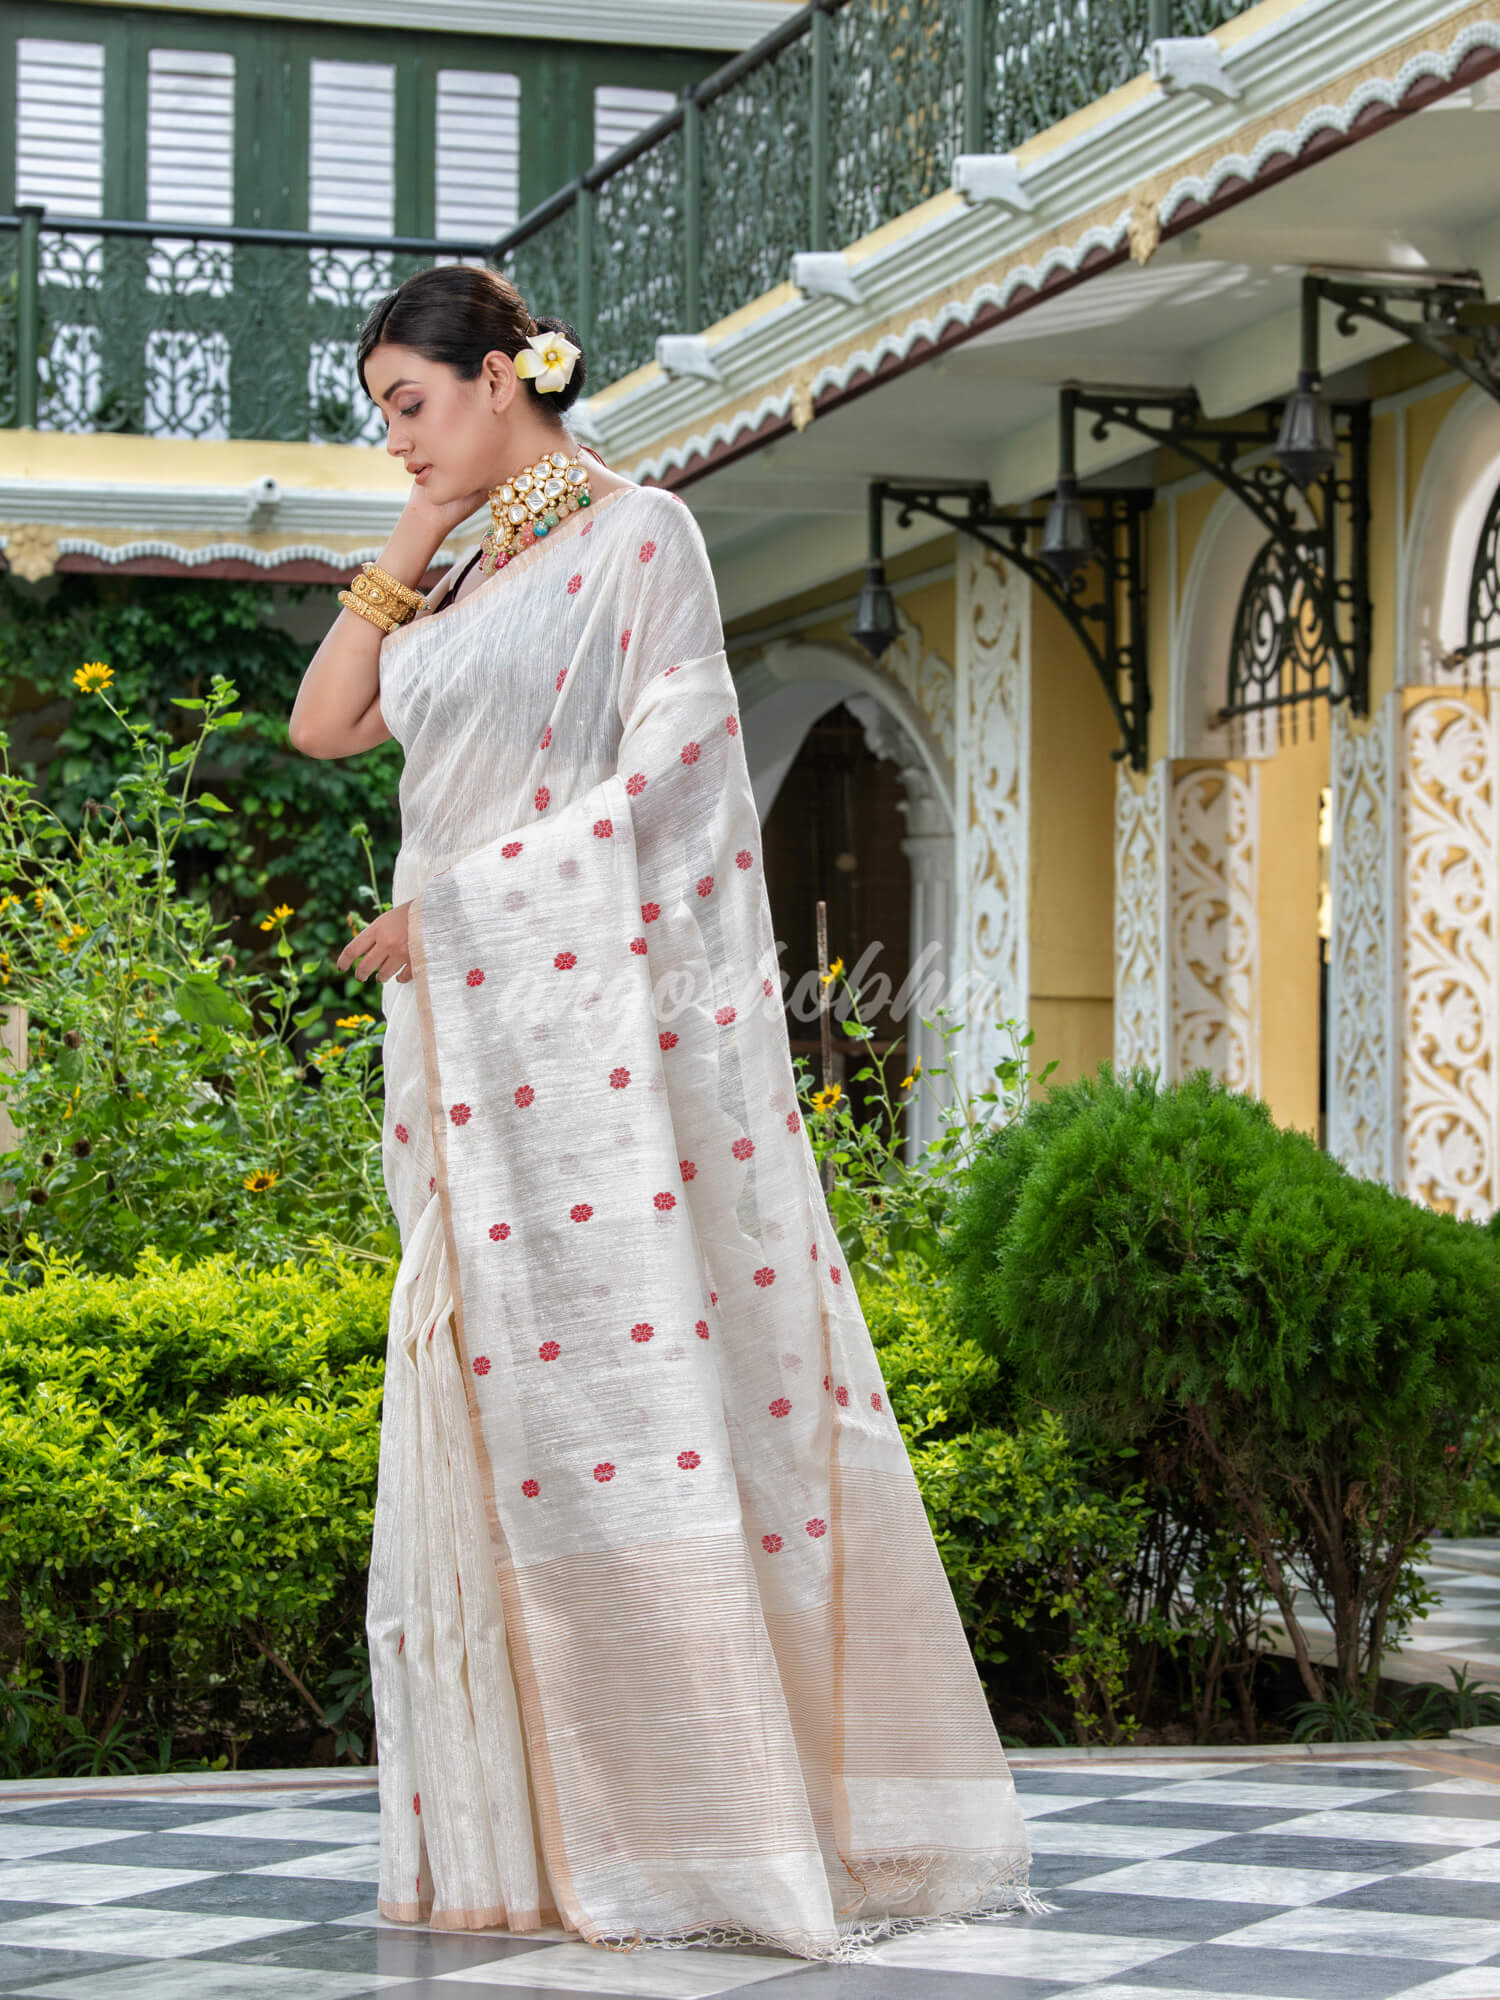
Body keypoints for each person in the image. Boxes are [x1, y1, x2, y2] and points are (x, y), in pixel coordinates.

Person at [288, 263, 1039, 1962]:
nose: (395, 439)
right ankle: (533, 1843)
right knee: (479, 1411)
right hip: (468, 1051)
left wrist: (463, 908)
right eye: (382, 415)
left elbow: (682, 786)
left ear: (504, 377)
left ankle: (695, 1827)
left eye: (411, 402)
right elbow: (325, 723)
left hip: (573, 1043)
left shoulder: (645, 540)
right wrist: (417, 529)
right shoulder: (463, 565)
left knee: (641, 1410)